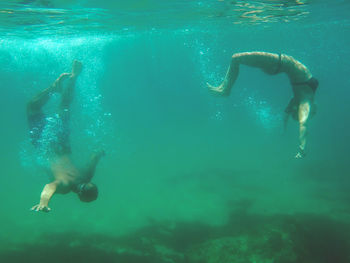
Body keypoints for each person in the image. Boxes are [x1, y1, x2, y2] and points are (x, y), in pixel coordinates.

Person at [207, 51, 318, 158]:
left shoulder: (304, 101)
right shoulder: (298, 100)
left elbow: (303, 125)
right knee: (235, 58)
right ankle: (224, 88)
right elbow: (287, 116)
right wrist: (283, 130)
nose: (293, 109)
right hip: (278, 64)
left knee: (236, 58)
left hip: (278, 63)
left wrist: (302, 148)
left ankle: (225, 90)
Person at [27, 60, 105, 212]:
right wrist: (43, 202)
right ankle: (54, 88)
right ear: (79, 196)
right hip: (45, 144)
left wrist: (100, 153)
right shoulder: (65, 185)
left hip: (62, 144)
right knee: (32, 107)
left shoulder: (87, 175)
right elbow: (49, 186)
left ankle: (72, 77)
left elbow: (93, 158)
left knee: (64, 107)